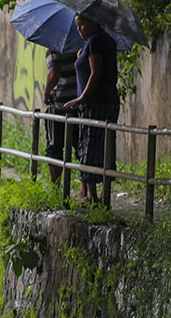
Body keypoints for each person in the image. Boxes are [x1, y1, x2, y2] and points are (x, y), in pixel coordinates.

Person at [64, 14, 119, 204]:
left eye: (82, 26)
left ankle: (92, 196)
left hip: (95, 103)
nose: (80, 30)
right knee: (104, 146)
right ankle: (99, 195)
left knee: (89, 147)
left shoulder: (95, 42)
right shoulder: (105, 41)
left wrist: (82, 98)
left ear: (94, 22)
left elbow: (96, 73)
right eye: (77, 27)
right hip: (107, 101)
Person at [42, 49, 77, 183]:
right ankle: (85, 190)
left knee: (54, 147)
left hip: (59, 106)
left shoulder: (54, 51)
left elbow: (54, 73)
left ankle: (55, 187)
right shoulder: (80, 48)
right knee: (80, 147)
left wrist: (46, 94)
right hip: (78, 105)